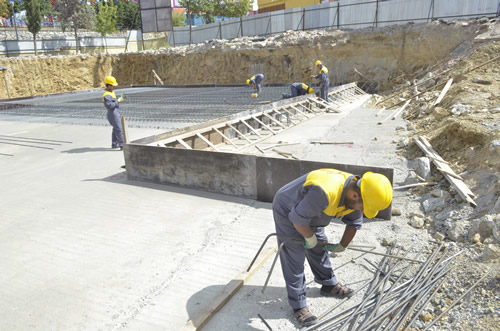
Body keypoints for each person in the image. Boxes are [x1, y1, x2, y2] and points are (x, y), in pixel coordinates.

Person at [272, 169, 393, 327]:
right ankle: (299, 305)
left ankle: (328, 284)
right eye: (364, 208)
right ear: (355, 196)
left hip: (312, 211)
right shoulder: (325, 191)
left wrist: (342, 245)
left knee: (320, 245)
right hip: (289, 209)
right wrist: (309, 237)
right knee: (294, 256)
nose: (363, 211)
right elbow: (297, 219)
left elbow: (353, 224)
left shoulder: (358, 191)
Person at [102, 75, 125, 150]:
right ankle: (122, 145)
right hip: (112, 113)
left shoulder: (111, 92)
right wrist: (117, 101)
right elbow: (109, 106)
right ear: (108, 86)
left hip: (115, 112)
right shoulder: (106, 95)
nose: (114, 87)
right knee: (118, 129)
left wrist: (119, 99)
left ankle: (114, 144)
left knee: (116, 128)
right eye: (113, 85)